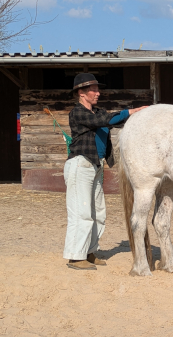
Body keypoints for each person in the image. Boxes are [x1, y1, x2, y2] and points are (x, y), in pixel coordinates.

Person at [63, 73, 148, 270]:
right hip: (81, 164)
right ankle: (76, 257)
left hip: (95, 165)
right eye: (93, 90)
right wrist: (131, 111)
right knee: (82, 212)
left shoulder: (98, 113)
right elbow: (105, 120)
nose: (98, 93)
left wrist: (138, 116)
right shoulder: (77, 113)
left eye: (97, 89)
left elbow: (112, 120)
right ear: (81, 93)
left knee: (98, 212)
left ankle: (89, 251)